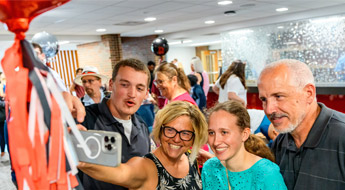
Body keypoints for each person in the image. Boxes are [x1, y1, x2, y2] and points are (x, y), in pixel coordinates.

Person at [78, 101, 208, 190]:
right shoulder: (146, 167)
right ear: (160, 130)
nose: (176, 139)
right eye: (170, 130)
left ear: (193, 138)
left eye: (185, 133)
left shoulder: (190, 158)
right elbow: (122, 173)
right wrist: (85, 162)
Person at [257, 59, 345, 190]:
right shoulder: (280, 142)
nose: (269, 110)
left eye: (279, 96)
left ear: (308, 93)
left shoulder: (341, 137)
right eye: (264, 99)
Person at [80, 58, 151, 190]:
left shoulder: (142, 126)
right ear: (111, 84)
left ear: (146, 93)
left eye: (139, 88)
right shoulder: (86, 119)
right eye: (125, 85)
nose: (132, 94)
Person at [202, 100, 287, 190]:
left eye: (224, 132)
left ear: (244, 134)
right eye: (211, 133)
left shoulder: (267, 174)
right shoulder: (209, 168)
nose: (216, 142)